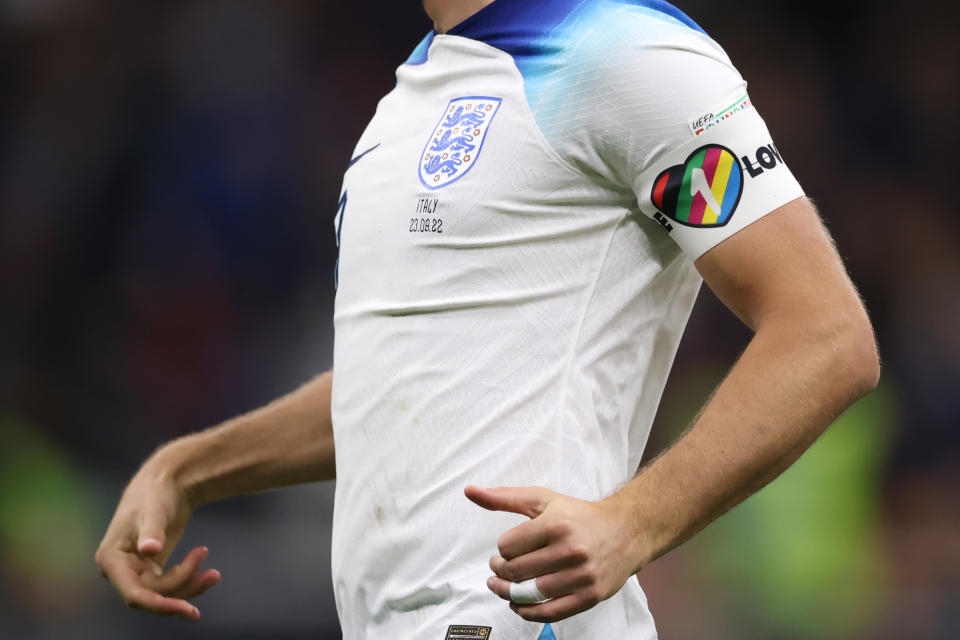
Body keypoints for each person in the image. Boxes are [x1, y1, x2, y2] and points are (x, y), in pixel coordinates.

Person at [95, 1, 880, 638]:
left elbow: (828, 335)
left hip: (521, 623)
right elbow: (403, 385)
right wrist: (187, 468)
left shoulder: (628, 52)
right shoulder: (401, 105)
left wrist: (635, 521)